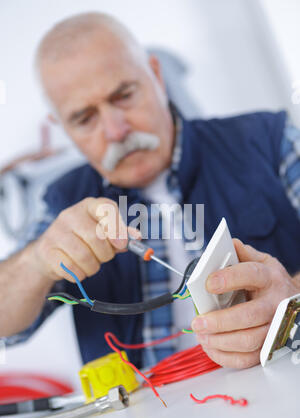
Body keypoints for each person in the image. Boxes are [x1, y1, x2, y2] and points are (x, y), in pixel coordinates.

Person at [1, 12, 300, 370]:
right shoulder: (61, 202)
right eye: (85, 118)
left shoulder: (268, 141)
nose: (116, 130)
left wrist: (291, 299)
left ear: (156, 76)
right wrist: (37, 261)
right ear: (62, 126)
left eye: (124, 95)